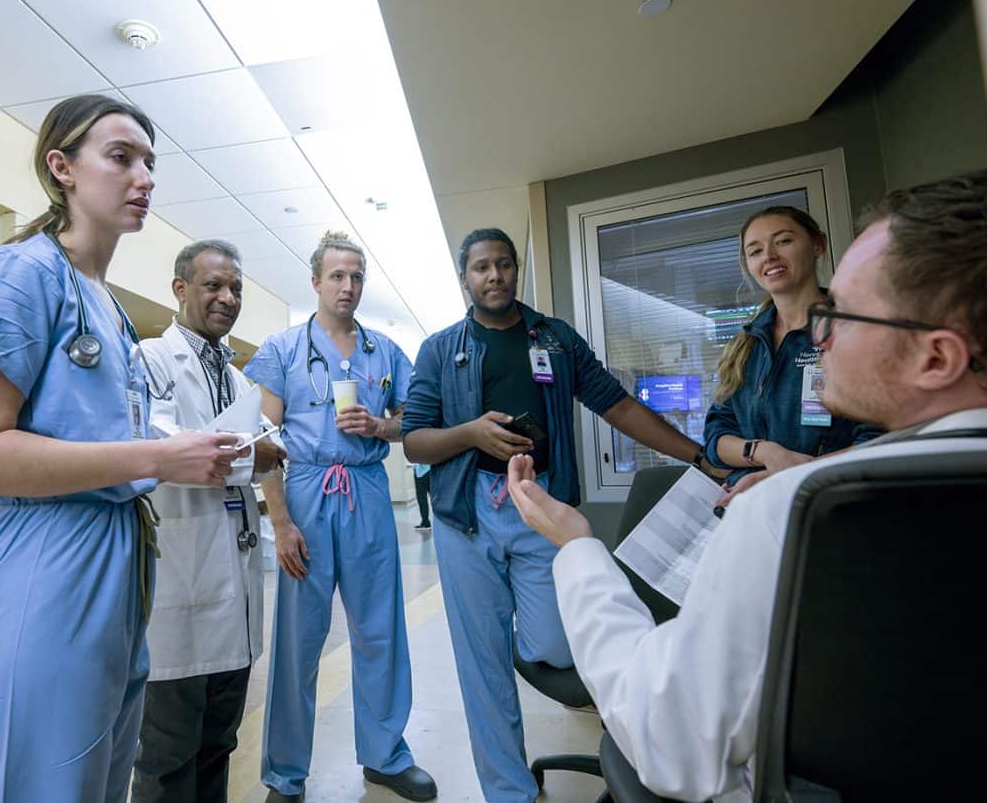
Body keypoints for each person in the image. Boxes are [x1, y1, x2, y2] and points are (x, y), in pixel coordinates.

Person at [506, 170, 987, 802]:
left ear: (936, 358)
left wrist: (574, 545)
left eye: (843, 315)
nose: (823, 331)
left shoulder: (802, 508)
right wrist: (758, 456)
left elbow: (667, 738)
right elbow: (718, 431)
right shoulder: (752, 350)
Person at [0, 95, 244, 802]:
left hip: (116, 568)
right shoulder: (20, 275)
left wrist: (173, 447)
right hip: (43, 564)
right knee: (32, 779)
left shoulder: (107, 305)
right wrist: (155, 459)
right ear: (62, 167)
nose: (143, 176)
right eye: (121, 158)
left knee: (92, 778)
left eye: (150, 162)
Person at [402, 227, 723, 803]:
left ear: (516, 270)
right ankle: (509, 790)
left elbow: (619, 406)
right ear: (464, 278)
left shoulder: (553, 338)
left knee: (552, 642)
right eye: (481, 267)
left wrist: (698, 454)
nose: (494, 276)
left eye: (504, 264)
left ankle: (526, 639)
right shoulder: (440, 348)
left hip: (542, 505)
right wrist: (471, 433)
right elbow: (415, 442)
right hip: (467, 513)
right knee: (483, 665)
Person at [245, 231, 436, 802]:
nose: (347, 285)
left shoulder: (385, 352)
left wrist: (383, 427)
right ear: (315, 282)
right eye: (336, 275)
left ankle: (385, 754)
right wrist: (280, 522)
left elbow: (412, 418)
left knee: (379, 628)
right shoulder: (282, 349)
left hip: (367, 491)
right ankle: (285, 773)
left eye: (356, 276)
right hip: (304, 492)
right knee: (300, 641)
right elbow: (264, 438)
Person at [132, 240, 284, 802]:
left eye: (236, 288)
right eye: (213, 285)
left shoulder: (241, 382)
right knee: (167, 758)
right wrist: (252, 457)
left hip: (233, 596)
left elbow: (270, 445)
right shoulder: (148, 360)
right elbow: (159, 446)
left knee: (219, 746)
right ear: (180, 289)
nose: (228, 298)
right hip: (181, 587)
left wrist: (257, 452)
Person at [704, 206, 878, 502]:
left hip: (831, 503)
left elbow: (880, 439)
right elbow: (716, 438)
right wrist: (764, 452)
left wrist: (792, 473)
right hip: (749, 506)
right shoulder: (745, 345)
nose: (769, 256)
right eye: (755, 251)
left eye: (783, 241)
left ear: (817, 245)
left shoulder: (855, 331)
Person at [412, 461, 431, 528]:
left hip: (422, 473)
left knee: (422, 499)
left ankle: (425, 523)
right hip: (426, 470)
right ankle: (425, 522)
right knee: (435, 498)